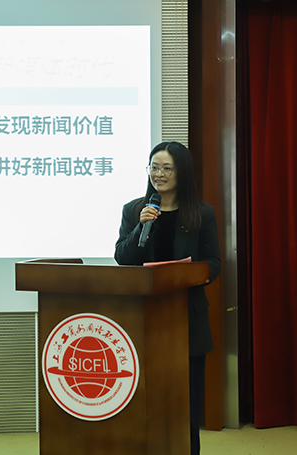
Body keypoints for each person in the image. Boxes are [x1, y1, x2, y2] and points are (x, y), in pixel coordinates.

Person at [114, 141, 221, 455]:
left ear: (181, 172)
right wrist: (141, 228)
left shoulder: (201, 213)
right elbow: (123, 258)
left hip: (186, 319)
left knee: (185, 403)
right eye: (154, 167)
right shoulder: (135, 210)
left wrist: (183, 275)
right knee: (145, 401)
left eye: (166, 168)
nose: (158, 174)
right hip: (144, 319)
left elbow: (213, 263)